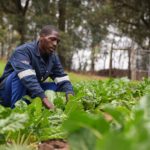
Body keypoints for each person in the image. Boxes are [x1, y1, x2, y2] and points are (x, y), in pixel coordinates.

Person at [0, 25, 74, 110]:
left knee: (60, 87)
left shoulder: (53, 57)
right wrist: (45, 99)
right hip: (7, 94)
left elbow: (62, 79)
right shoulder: (23, 51)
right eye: (52, 39)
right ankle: (18, 111)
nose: (55, 44)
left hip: (30, 93)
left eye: (57, 41)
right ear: (41, 37)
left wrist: (71, 100)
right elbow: (28, 79)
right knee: (21, 75)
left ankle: (55, 111)